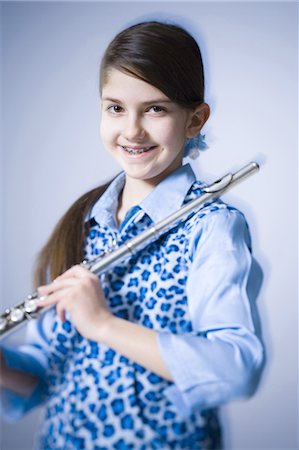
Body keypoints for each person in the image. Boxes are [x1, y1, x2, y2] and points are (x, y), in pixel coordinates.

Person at [0, 21, 263, 449]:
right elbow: (46, 374)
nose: (132, 130)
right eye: (115, 108)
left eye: (155, 109)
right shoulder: (84, 222)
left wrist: (102, 324)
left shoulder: (211, 225)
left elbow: (237, 369)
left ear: (195, 119)